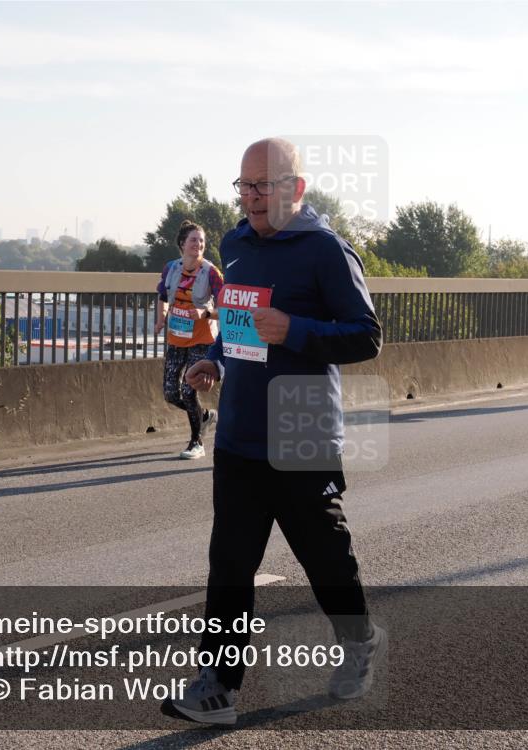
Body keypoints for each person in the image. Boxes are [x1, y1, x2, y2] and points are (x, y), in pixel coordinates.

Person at [161, 138, 386, 726]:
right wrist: (214, 357)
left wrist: (296, 330)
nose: (253, 197)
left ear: (296, 189)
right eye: (245, 185)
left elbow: (366, 335)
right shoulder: (234, 244)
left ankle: (359, 640)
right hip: (239, 431)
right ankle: (218, 686)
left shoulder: (327, 252)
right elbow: (236, 323)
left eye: (264, 185)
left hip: (303, 427)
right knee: (229, 565)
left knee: (325, 561)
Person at [155, 220, 224, 459]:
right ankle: (204, 417)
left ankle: (197, 442)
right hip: (176, 337)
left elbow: (225, 307)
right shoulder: (171, 269)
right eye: (194, 240)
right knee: (170, 393)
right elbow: (163, 296)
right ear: (182, 244)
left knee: (187, 390)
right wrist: (160, 319)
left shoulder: (211, 272)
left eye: (202, 241)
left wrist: (205, 313)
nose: (199, 244)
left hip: (202, 338)